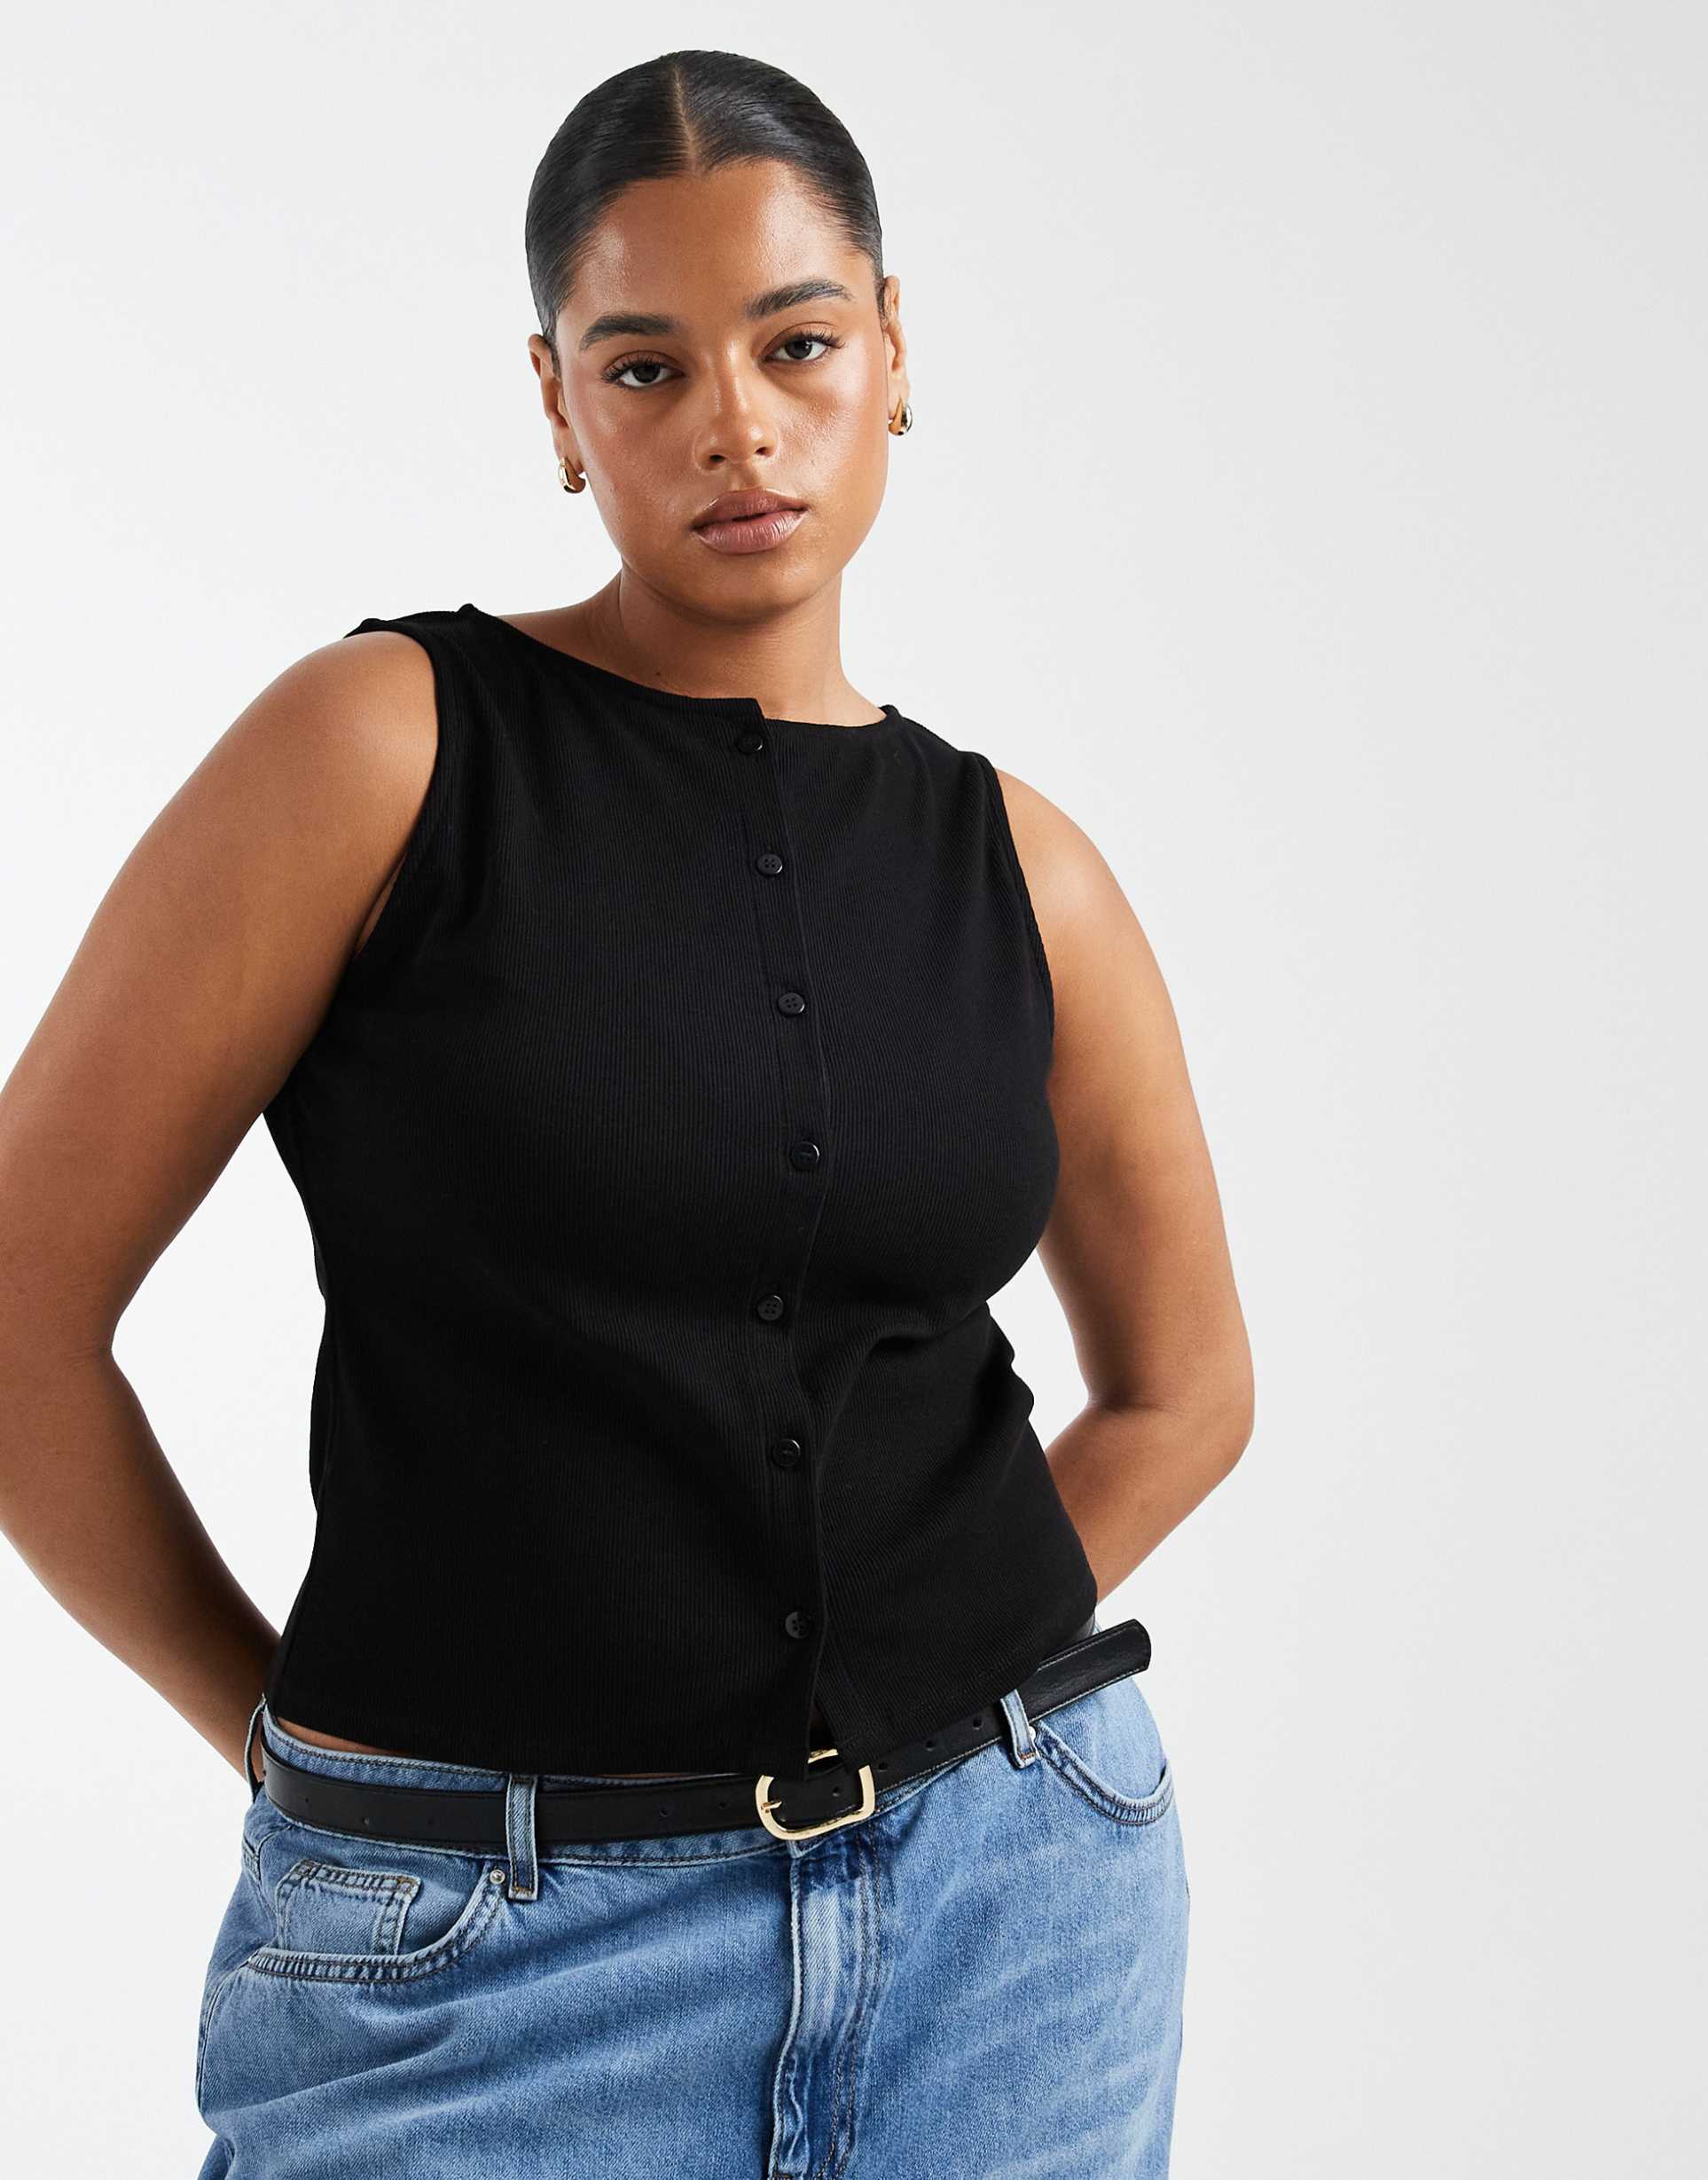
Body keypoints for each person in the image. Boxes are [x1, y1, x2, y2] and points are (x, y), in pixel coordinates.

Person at [0, 46, 1252, 2179]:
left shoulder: (1021, 869)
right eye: (647, 366)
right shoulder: (385, 748)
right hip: (482, 1959)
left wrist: (923, 1675)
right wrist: (297, 1752)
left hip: (1015, 1918)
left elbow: (1189, 1390)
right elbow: (20, 1306)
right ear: (558, 405)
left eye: (798, 343)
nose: (735, 425)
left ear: (894, 352)